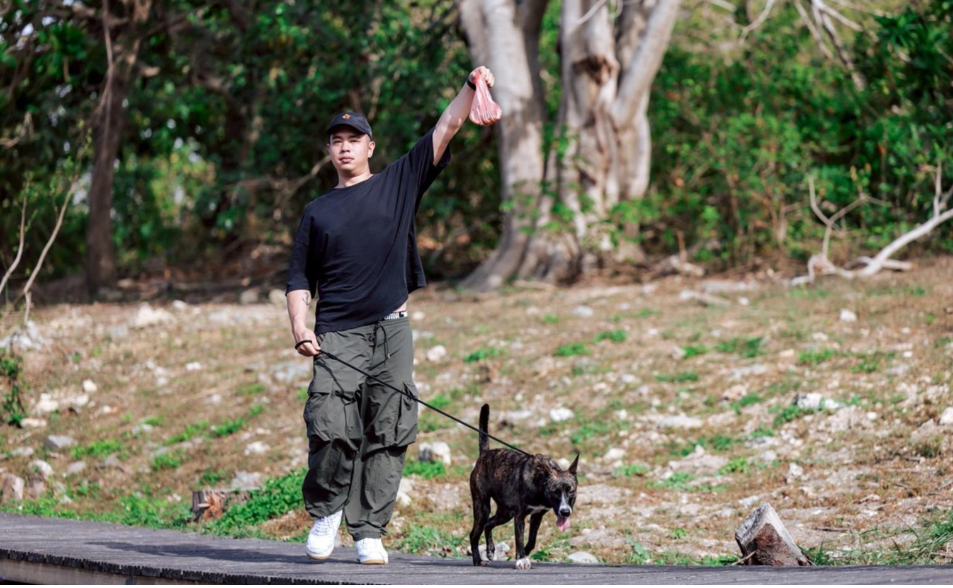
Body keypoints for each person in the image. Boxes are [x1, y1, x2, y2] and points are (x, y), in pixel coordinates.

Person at [284, 66, 497, 565]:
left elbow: (446, 127)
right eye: (336, 140)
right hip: (337, 334)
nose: (344, 147)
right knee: (330, 427)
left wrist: (470, 87)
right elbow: (298, 279)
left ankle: (369, 530)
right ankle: (327, 512)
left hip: (393, 330)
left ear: (370, 147)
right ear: (329, 151)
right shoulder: (317, 212)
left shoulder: (400, 182)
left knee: (391, 428)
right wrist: (300, 326)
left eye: (353, 139)